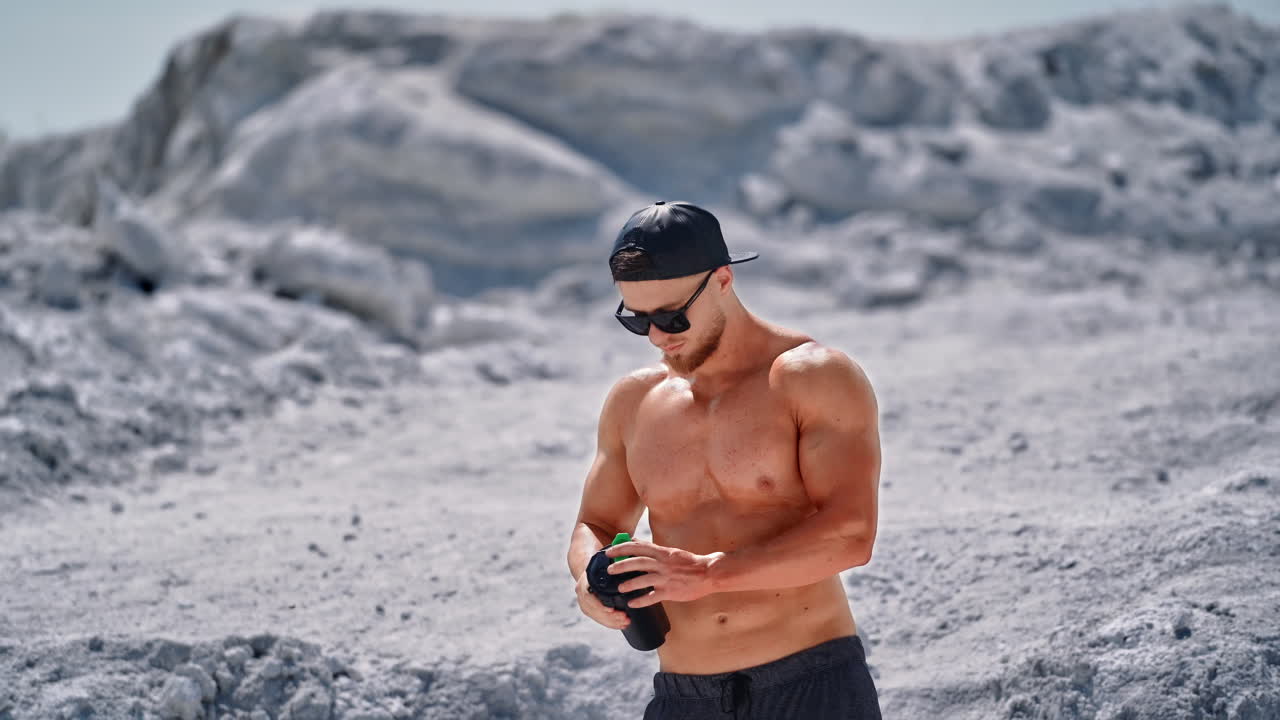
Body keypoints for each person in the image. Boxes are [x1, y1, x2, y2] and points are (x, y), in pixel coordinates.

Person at [566, 201, 884, 719]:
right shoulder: (634, 401)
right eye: (636, 319)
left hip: (810, 686)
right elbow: (595, 523)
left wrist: (710, 574)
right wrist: (589, 578)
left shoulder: (810, 378)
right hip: (684, 697)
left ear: (721, 281)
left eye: (672, 316)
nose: (657, 336)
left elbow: (852, 535)